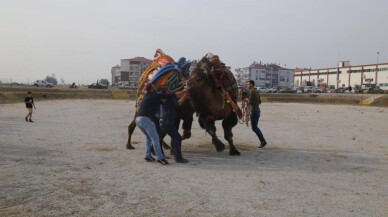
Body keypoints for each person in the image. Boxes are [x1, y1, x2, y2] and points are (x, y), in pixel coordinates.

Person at [135, 83, 175, 165]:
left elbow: (160, 101)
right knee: (155, 138)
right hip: (145, 120)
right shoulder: (155, 95)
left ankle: (148, 156)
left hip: (138, 119)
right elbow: (168, 96)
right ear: (152, 89)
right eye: (154, 87)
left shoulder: (148, 96)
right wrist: (175, 92)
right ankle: (160, 158)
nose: (155, 87)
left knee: (148, 138)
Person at [159, 87, 189, 163]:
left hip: (164, 122)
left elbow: (178, 103)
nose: (171, 90)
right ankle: (178, 158)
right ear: (166, 91)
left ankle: (159, 154)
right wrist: (185, 90)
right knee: (177, 137)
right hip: (167, 122)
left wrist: (185, 95)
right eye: (169, 89)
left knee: (159, 138)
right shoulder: (166, 96)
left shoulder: (170, 98)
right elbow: (177, 93)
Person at [246, 80, 267, 148]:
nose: (247, 85)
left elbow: (249, 102)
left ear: (251, 85)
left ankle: (263, 141)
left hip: (254, 111)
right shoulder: (257, 91)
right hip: (257, 111)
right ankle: (263, 141)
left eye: (248, 84)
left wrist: (247, 100)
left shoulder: (251, 91)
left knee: (254, 128)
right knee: (255, 127)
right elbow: (260, 102)